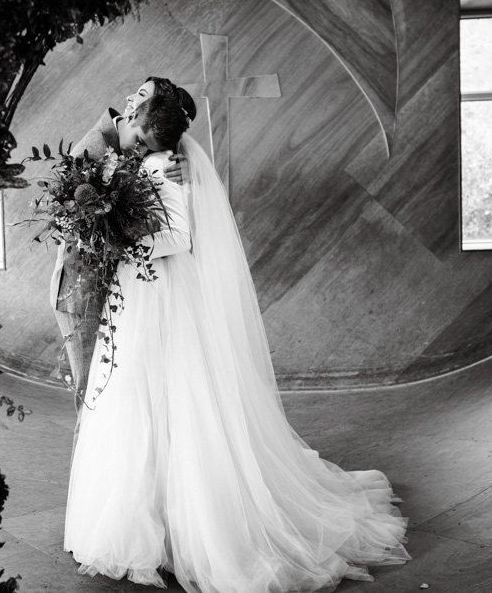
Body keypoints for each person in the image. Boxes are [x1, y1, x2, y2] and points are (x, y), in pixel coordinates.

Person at [63, 78, 410, 592]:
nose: (135, 137)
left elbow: (179, 236)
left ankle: (178, 522)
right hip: (134, 292)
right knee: (133, 394)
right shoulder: (139, 160)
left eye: (141, 132)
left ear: (153, 133)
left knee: (170, 393)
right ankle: (144, 511)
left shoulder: (163, 167)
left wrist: (125, 241)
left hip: (156, 290)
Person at [50, 82, 186, 412]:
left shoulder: (141, 148)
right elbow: (60, 217)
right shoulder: (93, 147)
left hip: (116, 288)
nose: (140, 152)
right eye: (139, 142)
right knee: (89, 393)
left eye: (147, 148)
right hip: (81, 288)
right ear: (131, 112)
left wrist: (176, 170)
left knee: (106, 387)